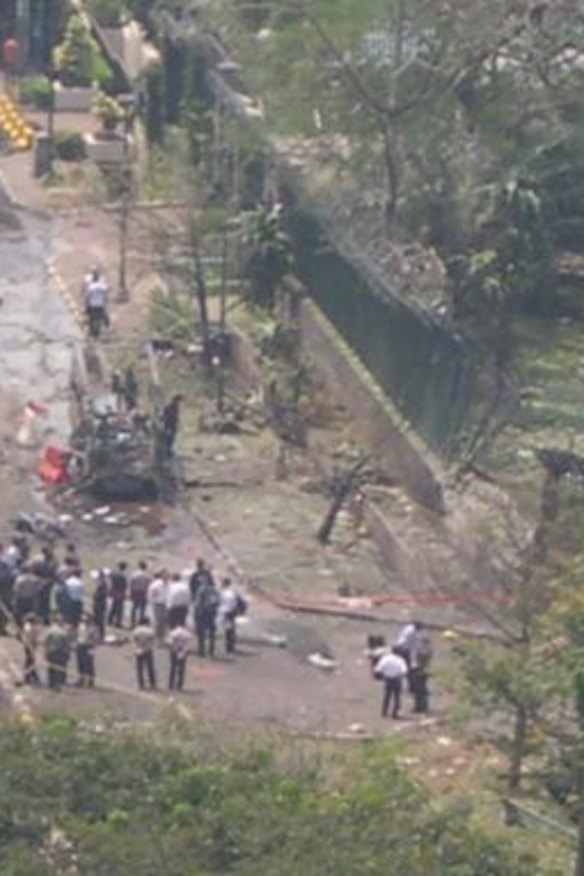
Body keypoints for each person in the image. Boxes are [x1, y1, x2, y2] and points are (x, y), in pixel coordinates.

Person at [374, 647, 409, 719]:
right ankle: (395, 713)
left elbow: (378, 669)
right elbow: (404, 671)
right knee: (397, 697)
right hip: (396, 679)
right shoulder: (400, 660)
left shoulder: (385, 659)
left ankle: (384, 712)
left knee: (387, 696)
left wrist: (384, 673)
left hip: (387, 679)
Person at [218, 577, 246, 655]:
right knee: (231, 630)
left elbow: (221, 603)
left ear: (225, 584)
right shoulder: (233, 592)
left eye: (223, 583)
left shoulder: (225, 593)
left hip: (227, 613)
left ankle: (229, 649)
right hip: (232, 613)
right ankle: (231, 647)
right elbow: (239, 602)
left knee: (228, 631)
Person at [194, 574, 219, 657]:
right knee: (211, 632)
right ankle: (211, 650)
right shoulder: (214, 590)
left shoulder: (201, 590)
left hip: (202, 613)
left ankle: (201, 650)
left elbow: (198, 603)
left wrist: (197, 612)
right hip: (211, 613)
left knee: (201, 632)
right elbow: (216, 601)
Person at [44, 617, 72, 691]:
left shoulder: (50, 630)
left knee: (51, 668)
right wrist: (68, 653)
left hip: (51, 651)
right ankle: (58, 684)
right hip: (60, 652)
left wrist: (46, 651)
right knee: (59, 668)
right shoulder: (63, 632)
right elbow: (66, 644)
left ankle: (51, 683)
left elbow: (45, 642)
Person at [83, 267, 109, 339]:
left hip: (93, 305)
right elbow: (105, 295)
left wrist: (86, 304)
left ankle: (91, 331)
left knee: (91, 318)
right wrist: (105, 301)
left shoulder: (91, 287)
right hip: (100, 305)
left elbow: (87, 296)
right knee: (101, 317)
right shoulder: (102, 286)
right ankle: (103, 328)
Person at [75, 615, 99, 687]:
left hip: (89, 647)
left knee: (89, 664)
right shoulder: (81, 626)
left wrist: (91, 642)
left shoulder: (94, 628)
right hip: (80, 646)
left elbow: (96, 639)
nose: (85, 621)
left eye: (87, 620)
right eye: (84, 620)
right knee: (80, 663)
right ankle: (81, 679)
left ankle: (91, 680)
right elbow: (77, 635)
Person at [133, 618, 156, 690]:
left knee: (139, 668)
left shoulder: (136, 630)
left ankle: (141, 684)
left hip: (138, 650)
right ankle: (152, 684)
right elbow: (152, 640)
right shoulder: (150, 631)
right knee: (150, 668)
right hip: (148, 650)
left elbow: (134, 640)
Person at [168, 623, 191, 692]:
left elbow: (169, 643)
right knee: (181, 669)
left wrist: (171, 649)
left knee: (173, 668)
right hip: (183, 651)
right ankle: (179, 685)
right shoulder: (186, 633)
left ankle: (171, 685)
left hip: (174, 651)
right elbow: (188, 643)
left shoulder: (173, 632)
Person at [148, 570, 168, 643]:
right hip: (161, 604)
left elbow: (150, 595)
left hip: (160, 604)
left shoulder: (155, 584)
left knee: (160, 621)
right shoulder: (159, 584)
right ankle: (159, 635)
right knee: (161, 621)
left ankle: (159, 636)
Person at [129, 560, 151, 628]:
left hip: (136, 592)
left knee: (134, 607)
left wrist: (131, 592)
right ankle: (140, 621)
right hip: (143, 592)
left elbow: (131, 583)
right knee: (142, 608)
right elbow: (149, 585)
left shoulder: (135, 574)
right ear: (145, 567)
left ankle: (132, 622)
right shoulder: (147, 575)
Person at [21, 614, 41, 685]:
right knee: (30, 661)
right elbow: (27, 636)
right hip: (30, 645)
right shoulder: (29, 626)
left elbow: (30, 635)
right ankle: (31, 676)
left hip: (31, 644)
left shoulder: (31, 626)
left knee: (30, 661)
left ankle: (30, 676)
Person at [108, 562, 128, 629]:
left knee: (114, 606)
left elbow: (109, 579)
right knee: (119, 608)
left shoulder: (113, 573)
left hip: (113, 591)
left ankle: (109, 620)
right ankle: (118, 622)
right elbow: (125, 585)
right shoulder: (123, 575)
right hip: (120, 592)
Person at [93, 569, 109, 642]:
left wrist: (95, 595)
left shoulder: (102, 584)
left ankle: (100, 636)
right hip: (101, 603)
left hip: (100, 604)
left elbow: (99, 595)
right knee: (98, 620)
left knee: (99, 620)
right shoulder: (103, 583)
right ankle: (98, 635)